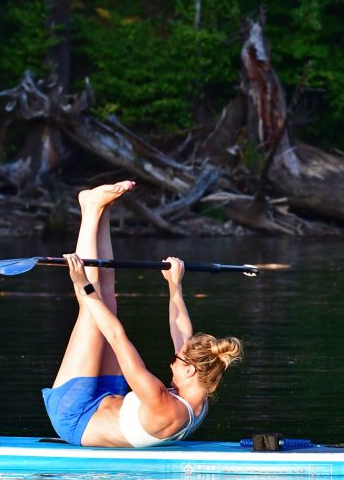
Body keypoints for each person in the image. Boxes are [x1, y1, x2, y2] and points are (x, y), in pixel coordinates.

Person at [42, 181, 243, 447]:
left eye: (176, 360)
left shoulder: (162, 401)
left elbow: (116, 336)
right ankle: (104, 212)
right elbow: (181, 332)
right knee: (109, 302)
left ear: (192, 371)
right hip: (108, 399)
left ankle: (89, 208)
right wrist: (175, 285)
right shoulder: (201, 393)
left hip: (74, 414)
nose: (171, 363)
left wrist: (82, 285)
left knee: (92, 312)